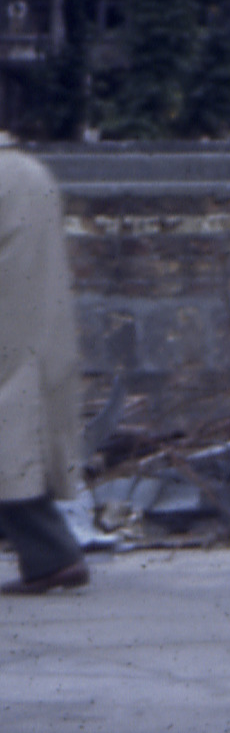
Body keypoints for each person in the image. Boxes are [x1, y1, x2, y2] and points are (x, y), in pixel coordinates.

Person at [0, 124, 90, 594]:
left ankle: (52, 556)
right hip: (34, 321)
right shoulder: (31, 172)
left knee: (10, 445)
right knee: (18, 439)